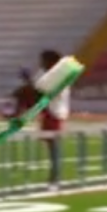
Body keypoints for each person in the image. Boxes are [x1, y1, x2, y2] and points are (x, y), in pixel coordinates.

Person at [36, 48, 69, 189]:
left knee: (54, 148)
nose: (41, 63)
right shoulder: (47, 74)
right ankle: (53, 177)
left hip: (55, 113)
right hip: (48, 112)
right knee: (50, 147)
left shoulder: (60, 76)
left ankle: (55, 179)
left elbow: (48, 91)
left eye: (44, 60)